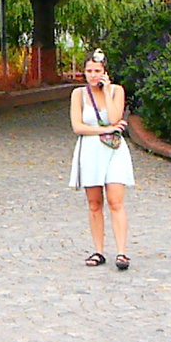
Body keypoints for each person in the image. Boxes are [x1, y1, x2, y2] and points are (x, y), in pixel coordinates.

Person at [69, 49, 134, 269]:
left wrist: (106, 91)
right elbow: (78, 126)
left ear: (105, 72)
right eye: (89, 71)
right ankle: (98, 250)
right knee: (94, 203)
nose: (93, 75)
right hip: (90, 150)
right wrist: (104, 129)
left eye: (97, 71)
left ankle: (122, 252)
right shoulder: (79, 94)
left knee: (116, 201)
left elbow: (116, 117)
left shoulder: (116, 91)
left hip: (113, 150)